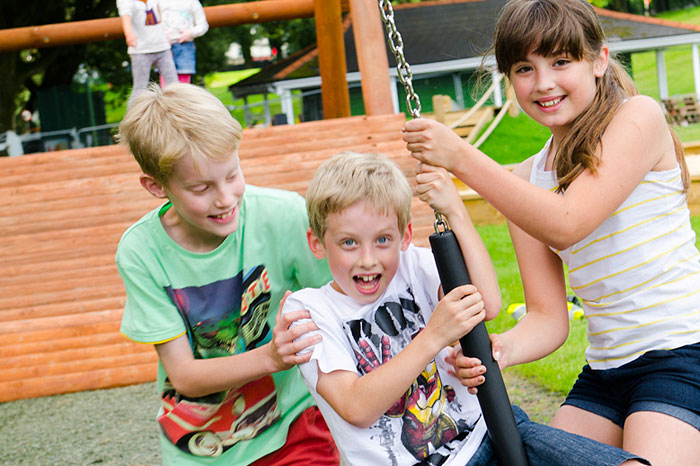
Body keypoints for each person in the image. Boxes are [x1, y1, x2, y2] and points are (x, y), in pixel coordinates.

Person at [402, 1, 700, 465]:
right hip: (605, 371)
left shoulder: (637, 118)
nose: (543, 83)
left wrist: (461, 157)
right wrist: (502, 349)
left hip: (682, 354)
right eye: (525, 68)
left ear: (599, 61)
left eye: (561, 61)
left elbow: (568, 219)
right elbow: (548, 317)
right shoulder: (526, 181)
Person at [282, 151, 647, 465]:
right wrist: (433, 336)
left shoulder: (415, 267)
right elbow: (356, 407)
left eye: (382, 240)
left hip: (494, 430)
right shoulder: (311, 311)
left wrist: (455, 210)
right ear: (317, 243)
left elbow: (485, 303)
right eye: (348, 242)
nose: (367, 259)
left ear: (405, 236)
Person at [115, 82, 340, 465]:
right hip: (202, 447)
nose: (225, 198)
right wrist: (271, 357)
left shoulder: (284, 216)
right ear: (156, 186)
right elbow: (184, 376)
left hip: (293, 426)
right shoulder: (141, 252)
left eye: (232, 174)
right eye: (201, 188)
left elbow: (345, 300)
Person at [117, 0, 178, 105]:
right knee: (140, 88)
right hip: (141, 50)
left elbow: (161, 17)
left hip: (161, 46)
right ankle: (133, 118)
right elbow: (125, 15)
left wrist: (167, 43)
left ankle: (180, 115)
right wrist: (128, 34)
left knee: (174, 84)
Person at [159, 0, 209, 86]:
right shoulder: (157, 2)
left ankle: (181, 99)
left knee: (183, 83)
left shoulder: (192, 2)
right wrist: (161, 37)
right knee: (166, 83)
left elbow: (203, 25)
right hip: (164, 47)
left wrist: (191, 33)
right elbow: (151, 23)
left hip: (185, 46)